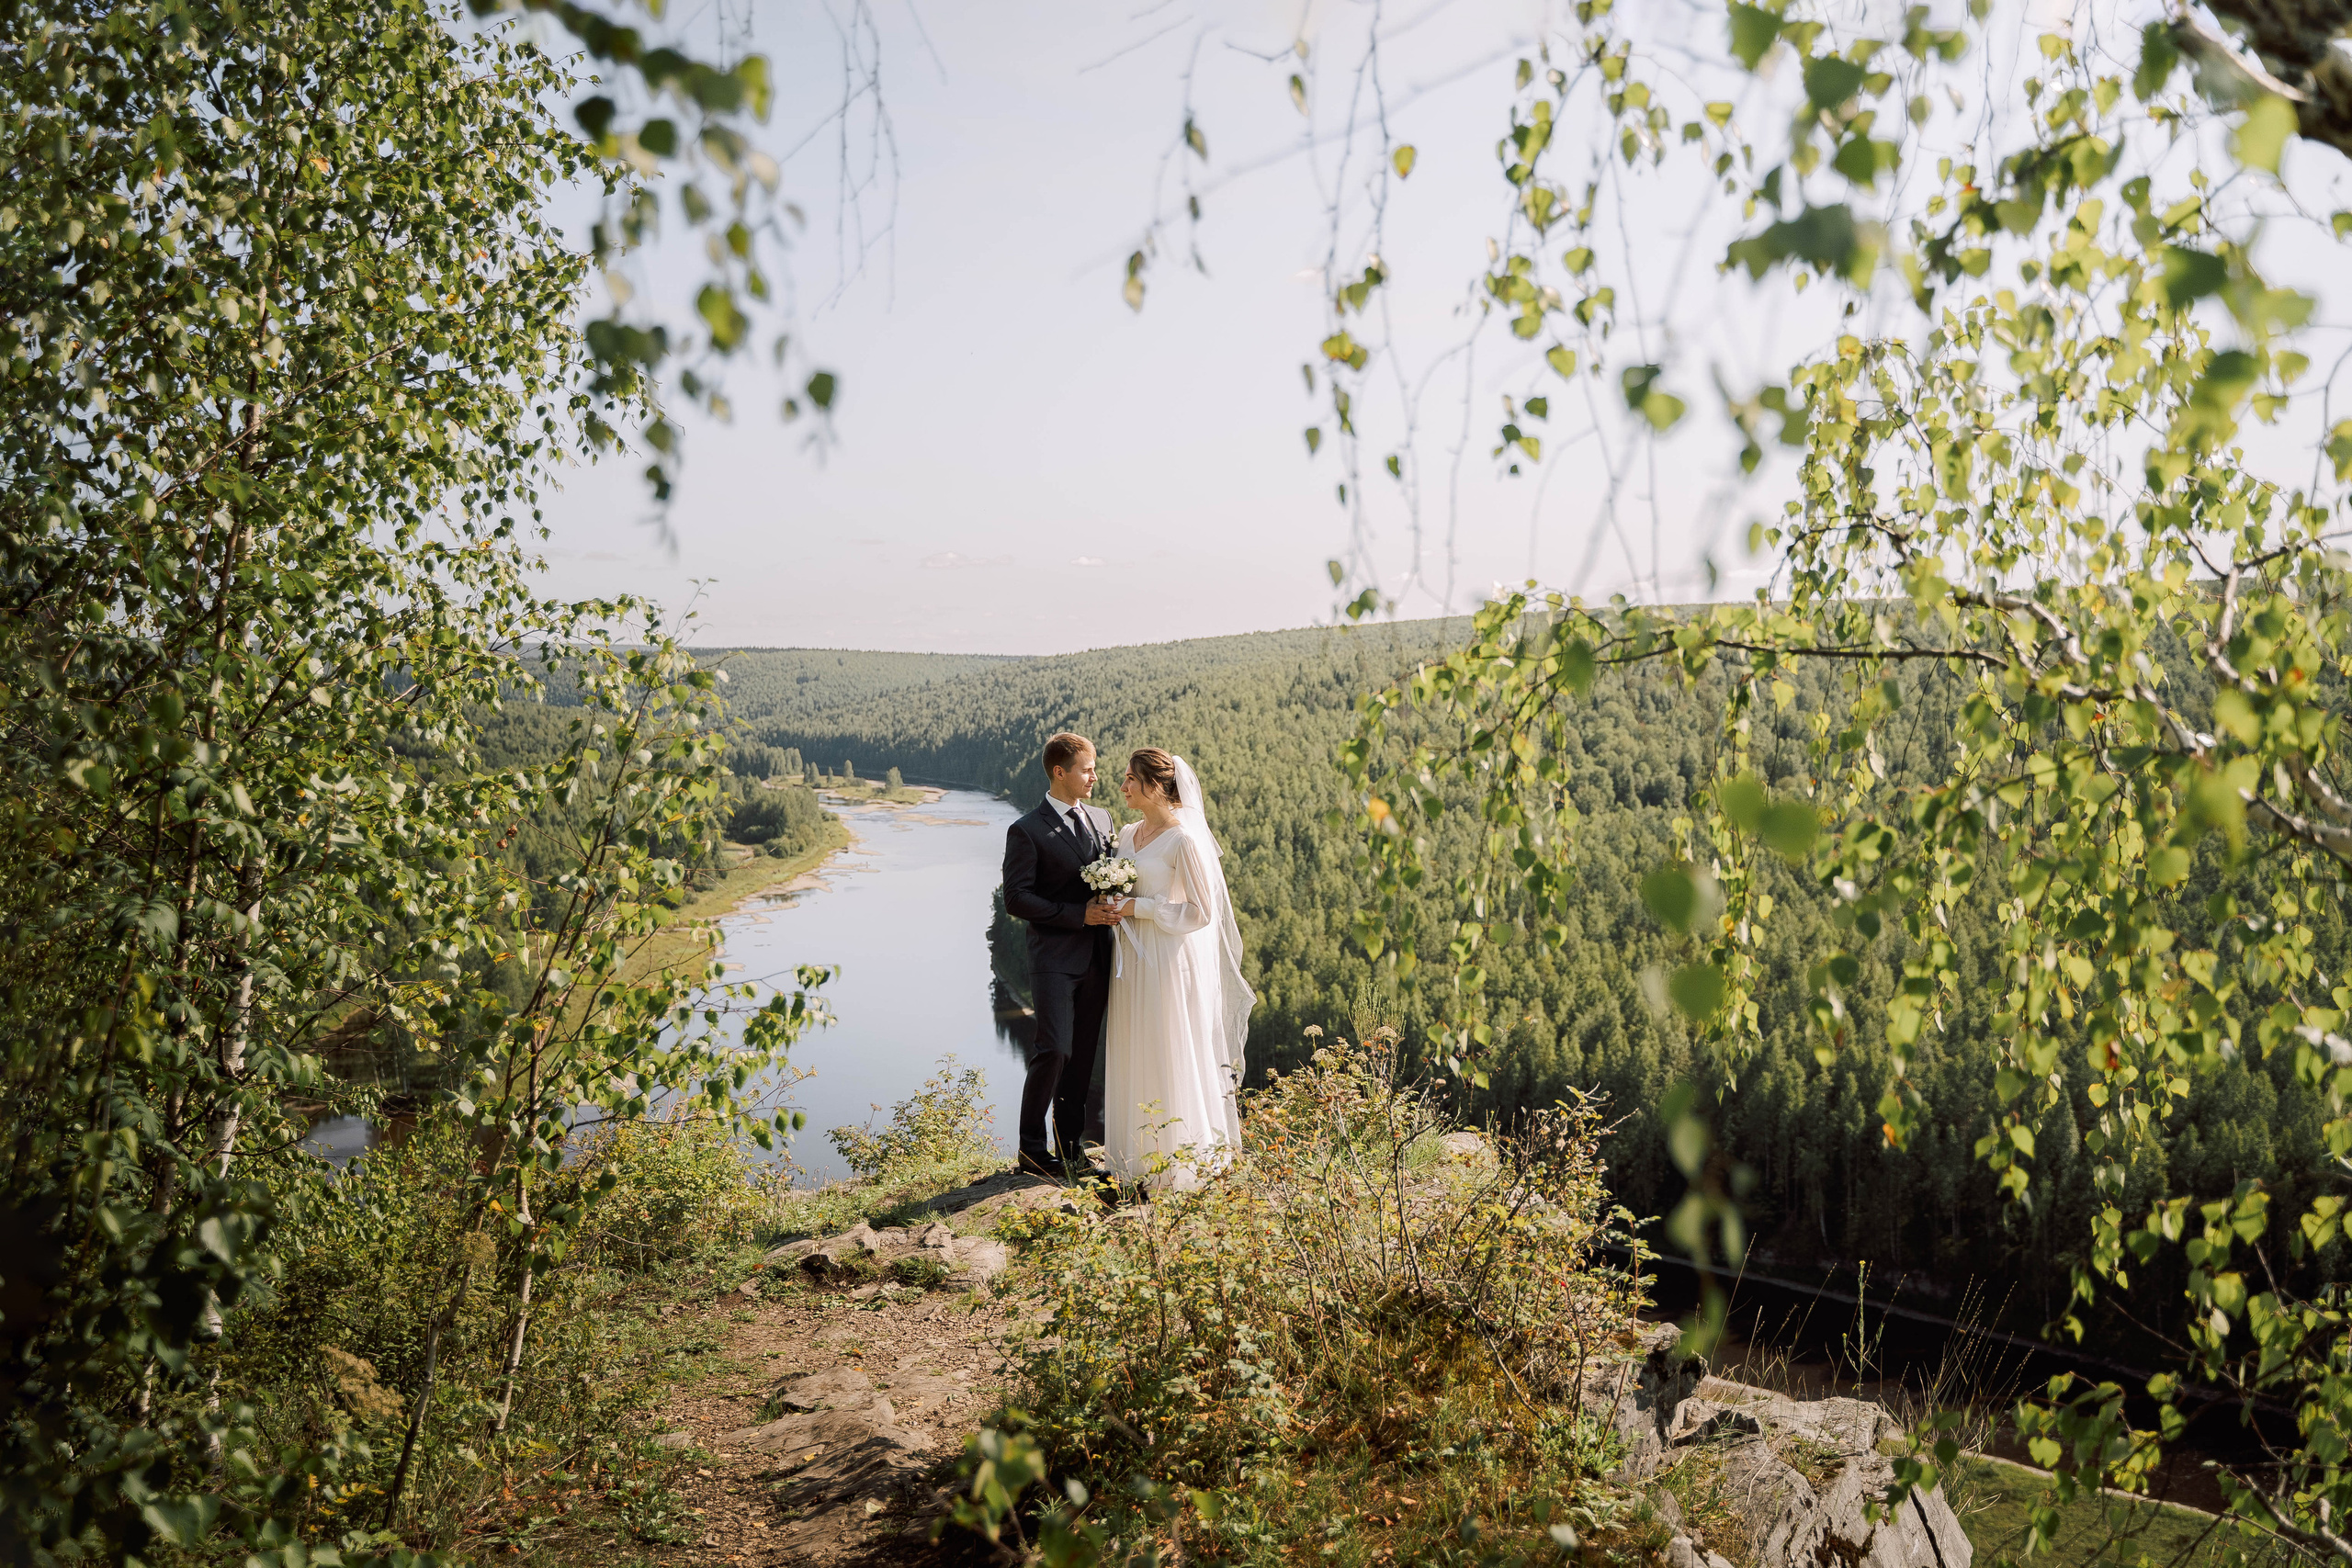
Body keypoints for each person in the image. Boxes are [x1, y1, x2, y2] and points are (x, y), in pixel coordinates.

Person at [1098, 749, 1254, 1190]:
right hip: (1129, 960)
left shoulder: (1183, 840)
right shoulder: (1128, 835)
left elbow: (1201, 911)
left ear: (1157, 786)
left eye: (1131, 779)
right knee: (1134, 1042)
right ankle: (1133, 1160)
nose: (1124, 787)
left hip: (1167, 958)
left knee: (1168, 1043)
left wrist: (1137, 907)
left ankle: (1181, 1162)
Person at [1000, 732, 1120, 1178]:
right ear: (1059, 772)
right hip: (1053, 957)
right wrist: (1078, 915)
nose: (1094, 776)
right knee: (1054, 1049)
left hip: (1098, 956)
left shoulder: (1103, 820)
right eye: (1086, 769)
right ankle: (1032, 1150)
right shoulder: (1027, 830)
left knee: (1084, 1055)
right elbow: (1016, 899)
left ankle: (1071, 1148)